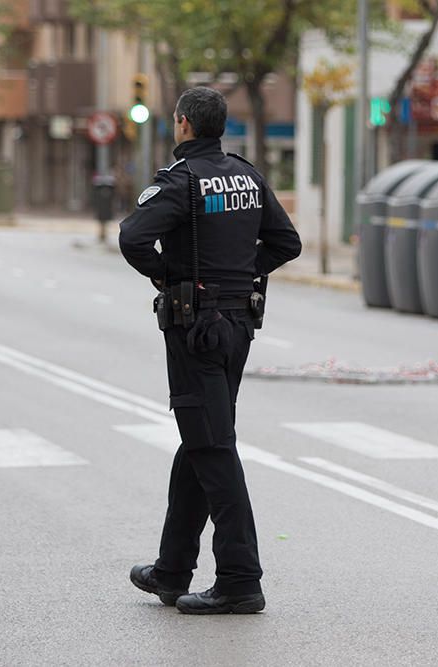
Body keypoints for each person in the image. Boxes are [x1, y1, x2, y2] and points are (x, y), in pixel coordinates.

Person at [118, 87, 301, 615]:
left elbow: (133, 238)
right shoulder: (246, 175)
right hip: (238, 324)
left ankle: (241, 579)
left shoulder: (180, 181)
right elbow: (286, 244)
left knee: (213, 448)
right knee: (200, 439)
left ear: (183, 125)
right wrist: (239, 273)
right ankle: (171, 570)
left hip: (196, 327)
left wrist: (174, 277)